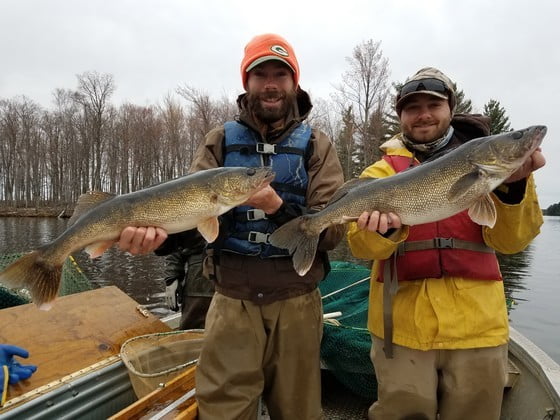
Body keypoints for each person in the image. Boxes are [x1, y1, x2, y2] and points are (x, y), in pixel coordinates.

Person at [118, 33, 345, 419]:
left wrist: (276, 206)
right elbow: (190, 225)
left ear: (295, 83)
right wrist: (156, 240)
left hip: (296, 300)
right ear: (247, 83)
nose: (270, 84)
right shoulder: (219, 140)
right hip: (231, 299)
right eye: (260, 75)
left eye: (280, 74)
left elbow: (333, 234)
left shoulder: (317, 145)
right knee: (223, 410)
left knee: (300, 411)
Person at [347, 67, 545, 420]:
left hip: (477, 327)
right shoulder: (380, 172)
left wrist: (514, 186)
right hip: (402, 325)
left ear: (450, 109)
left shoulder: (491, 167)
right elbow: (361, 248)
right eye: (412, 107)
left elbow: (512, 241)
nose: (423, 114)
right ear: (401, 117)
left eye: (433, 105)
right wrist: (382, 232)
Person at [158, 230, 213, 330]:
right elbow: (178, 238)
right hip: (197, 282)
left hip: (235, 278)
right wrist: (172, 278)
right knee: (192, 331)